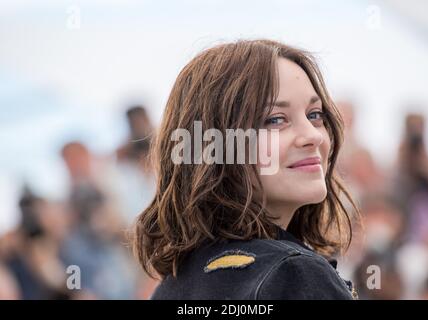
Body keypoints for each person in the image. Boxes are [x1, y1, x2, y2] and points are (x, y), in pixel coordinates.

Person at [133, 39, 359, 299]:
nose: (313, 136)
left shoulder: (172, 285)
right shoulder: (294, 275)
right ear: (215, 146)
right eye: (275, 120)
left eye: (315, 115)